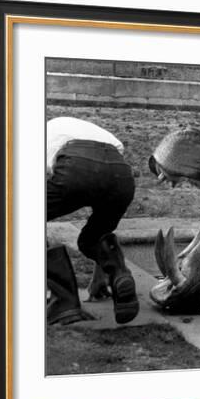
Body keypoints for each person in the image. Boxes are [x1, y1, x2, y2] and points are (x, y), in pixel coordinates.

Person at [46, 116, 139, 325]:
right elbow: (104, 174)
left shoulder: (43, 135)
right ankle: (119, 274)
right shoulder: (88, 130)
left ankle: (64, 302)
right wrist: (99, 277)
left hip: (76, 166)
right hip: (121, 174)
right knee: (93, 237)